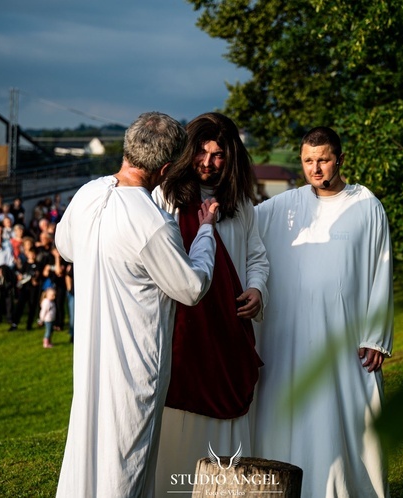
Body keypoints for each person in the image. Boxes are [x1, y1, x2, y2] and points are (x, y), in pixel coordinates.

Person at [54, 111, 219, 498]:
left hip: (92, 354)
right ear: (164, 168)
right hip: (134, 363)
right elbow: (191, 287)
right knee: (126, 463)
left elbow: (65, 246)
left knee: (88, 452)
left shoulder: (88, 193)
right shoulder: (154, 222)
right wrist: (206, 232)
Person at [253, 126, 394, 497]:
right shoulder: (284, 206)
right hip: (292, 336)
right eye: (308, 161)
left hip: (346, 337)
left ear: (340, 160)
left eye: (324, 160)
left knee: (349, 420)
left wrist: (376, 336)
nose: (316, 169)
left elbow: (381, 268)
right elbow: (242, 228)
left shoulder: (366, 205)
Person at [151, 112, 269, 493]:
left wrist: (257, 289)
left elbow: (256, 257)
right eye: (201, 152)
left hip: (228, 331)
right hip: (183, 331)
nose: (208, 162)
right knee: (178, 421)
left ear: (230, 157)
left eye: (218, 155)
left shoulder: (240, 205)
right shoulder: (166, 196)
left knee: (227, 422)